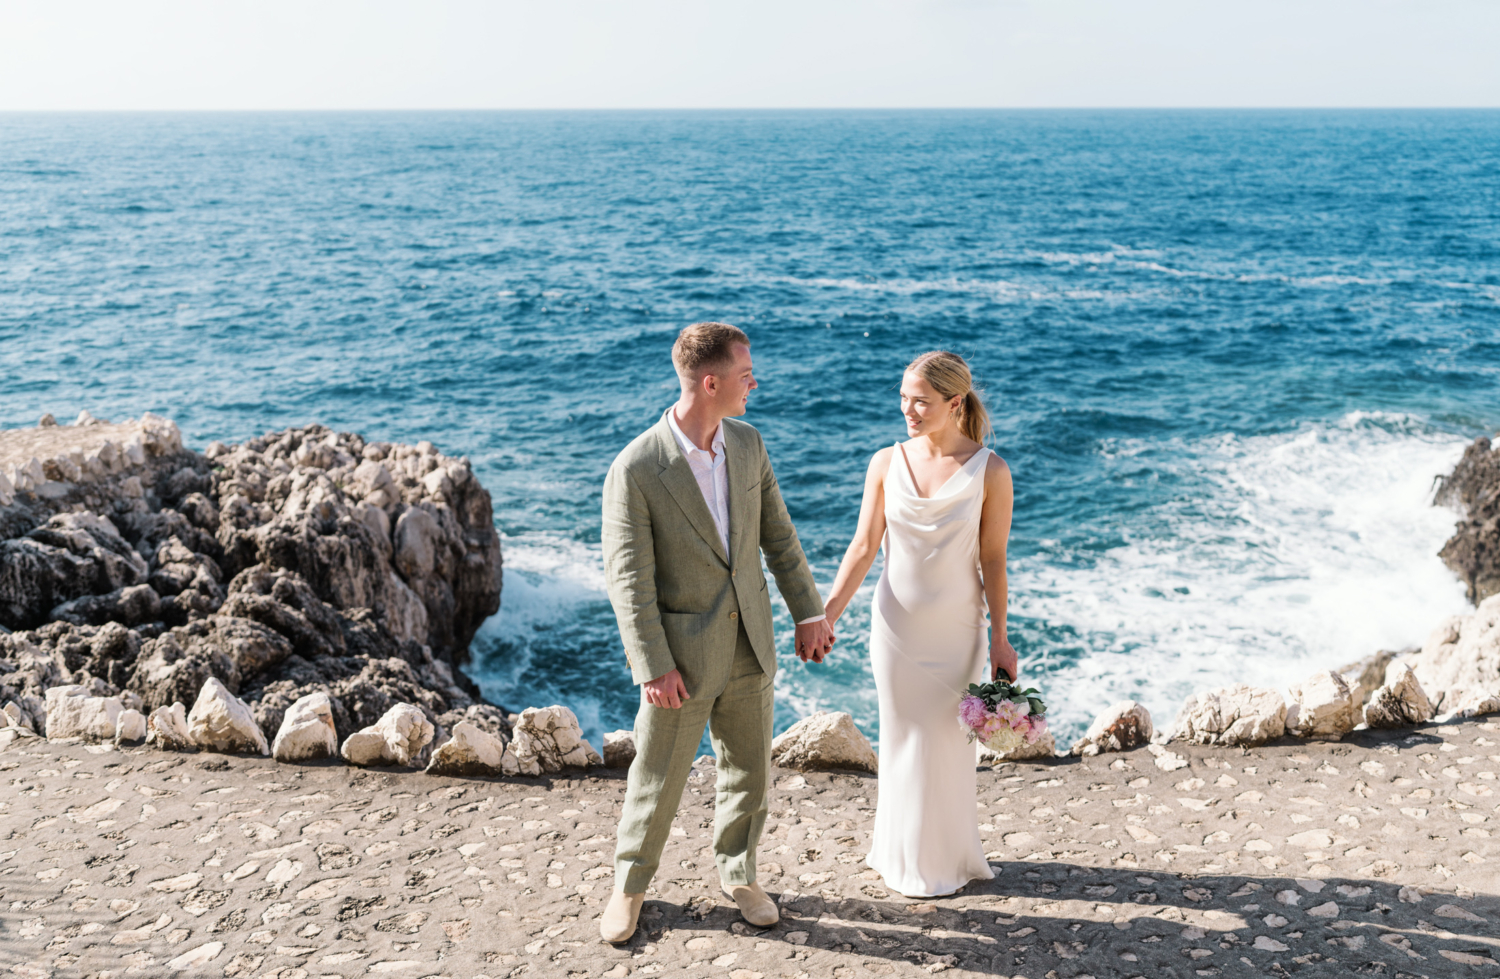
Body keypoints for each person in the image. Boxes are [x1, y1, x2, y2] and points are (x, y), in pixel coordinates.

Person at [598, 322, 837, 943]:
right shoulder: (638, 467)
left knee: (750, 771)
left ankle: (739, 873)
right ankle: (630, 886)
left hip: (750, 641)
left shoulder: (749, 444)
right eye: (744, 375)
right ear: (711, 383)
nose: (754, 383)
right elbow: (629, 580)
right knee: (657, 775)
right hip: (680, 656)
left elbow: (778, 536)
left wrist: (808, 613)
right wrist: (651, 665)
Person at [821, 350, 1016, 898]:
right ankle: (897, 853)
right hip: (895, 628)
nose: (908, 408)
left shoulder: (991, 470)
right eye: (903, 397)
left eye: (921, 401)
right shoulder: (885, 462)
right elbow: (863, 547)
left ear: (954, 403)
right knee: (901, 736)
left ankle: (947, 859)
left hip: (958, 631)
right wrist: (826, 616)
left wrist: (1001, 638)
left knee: (946, 741)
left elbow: (993, 559)